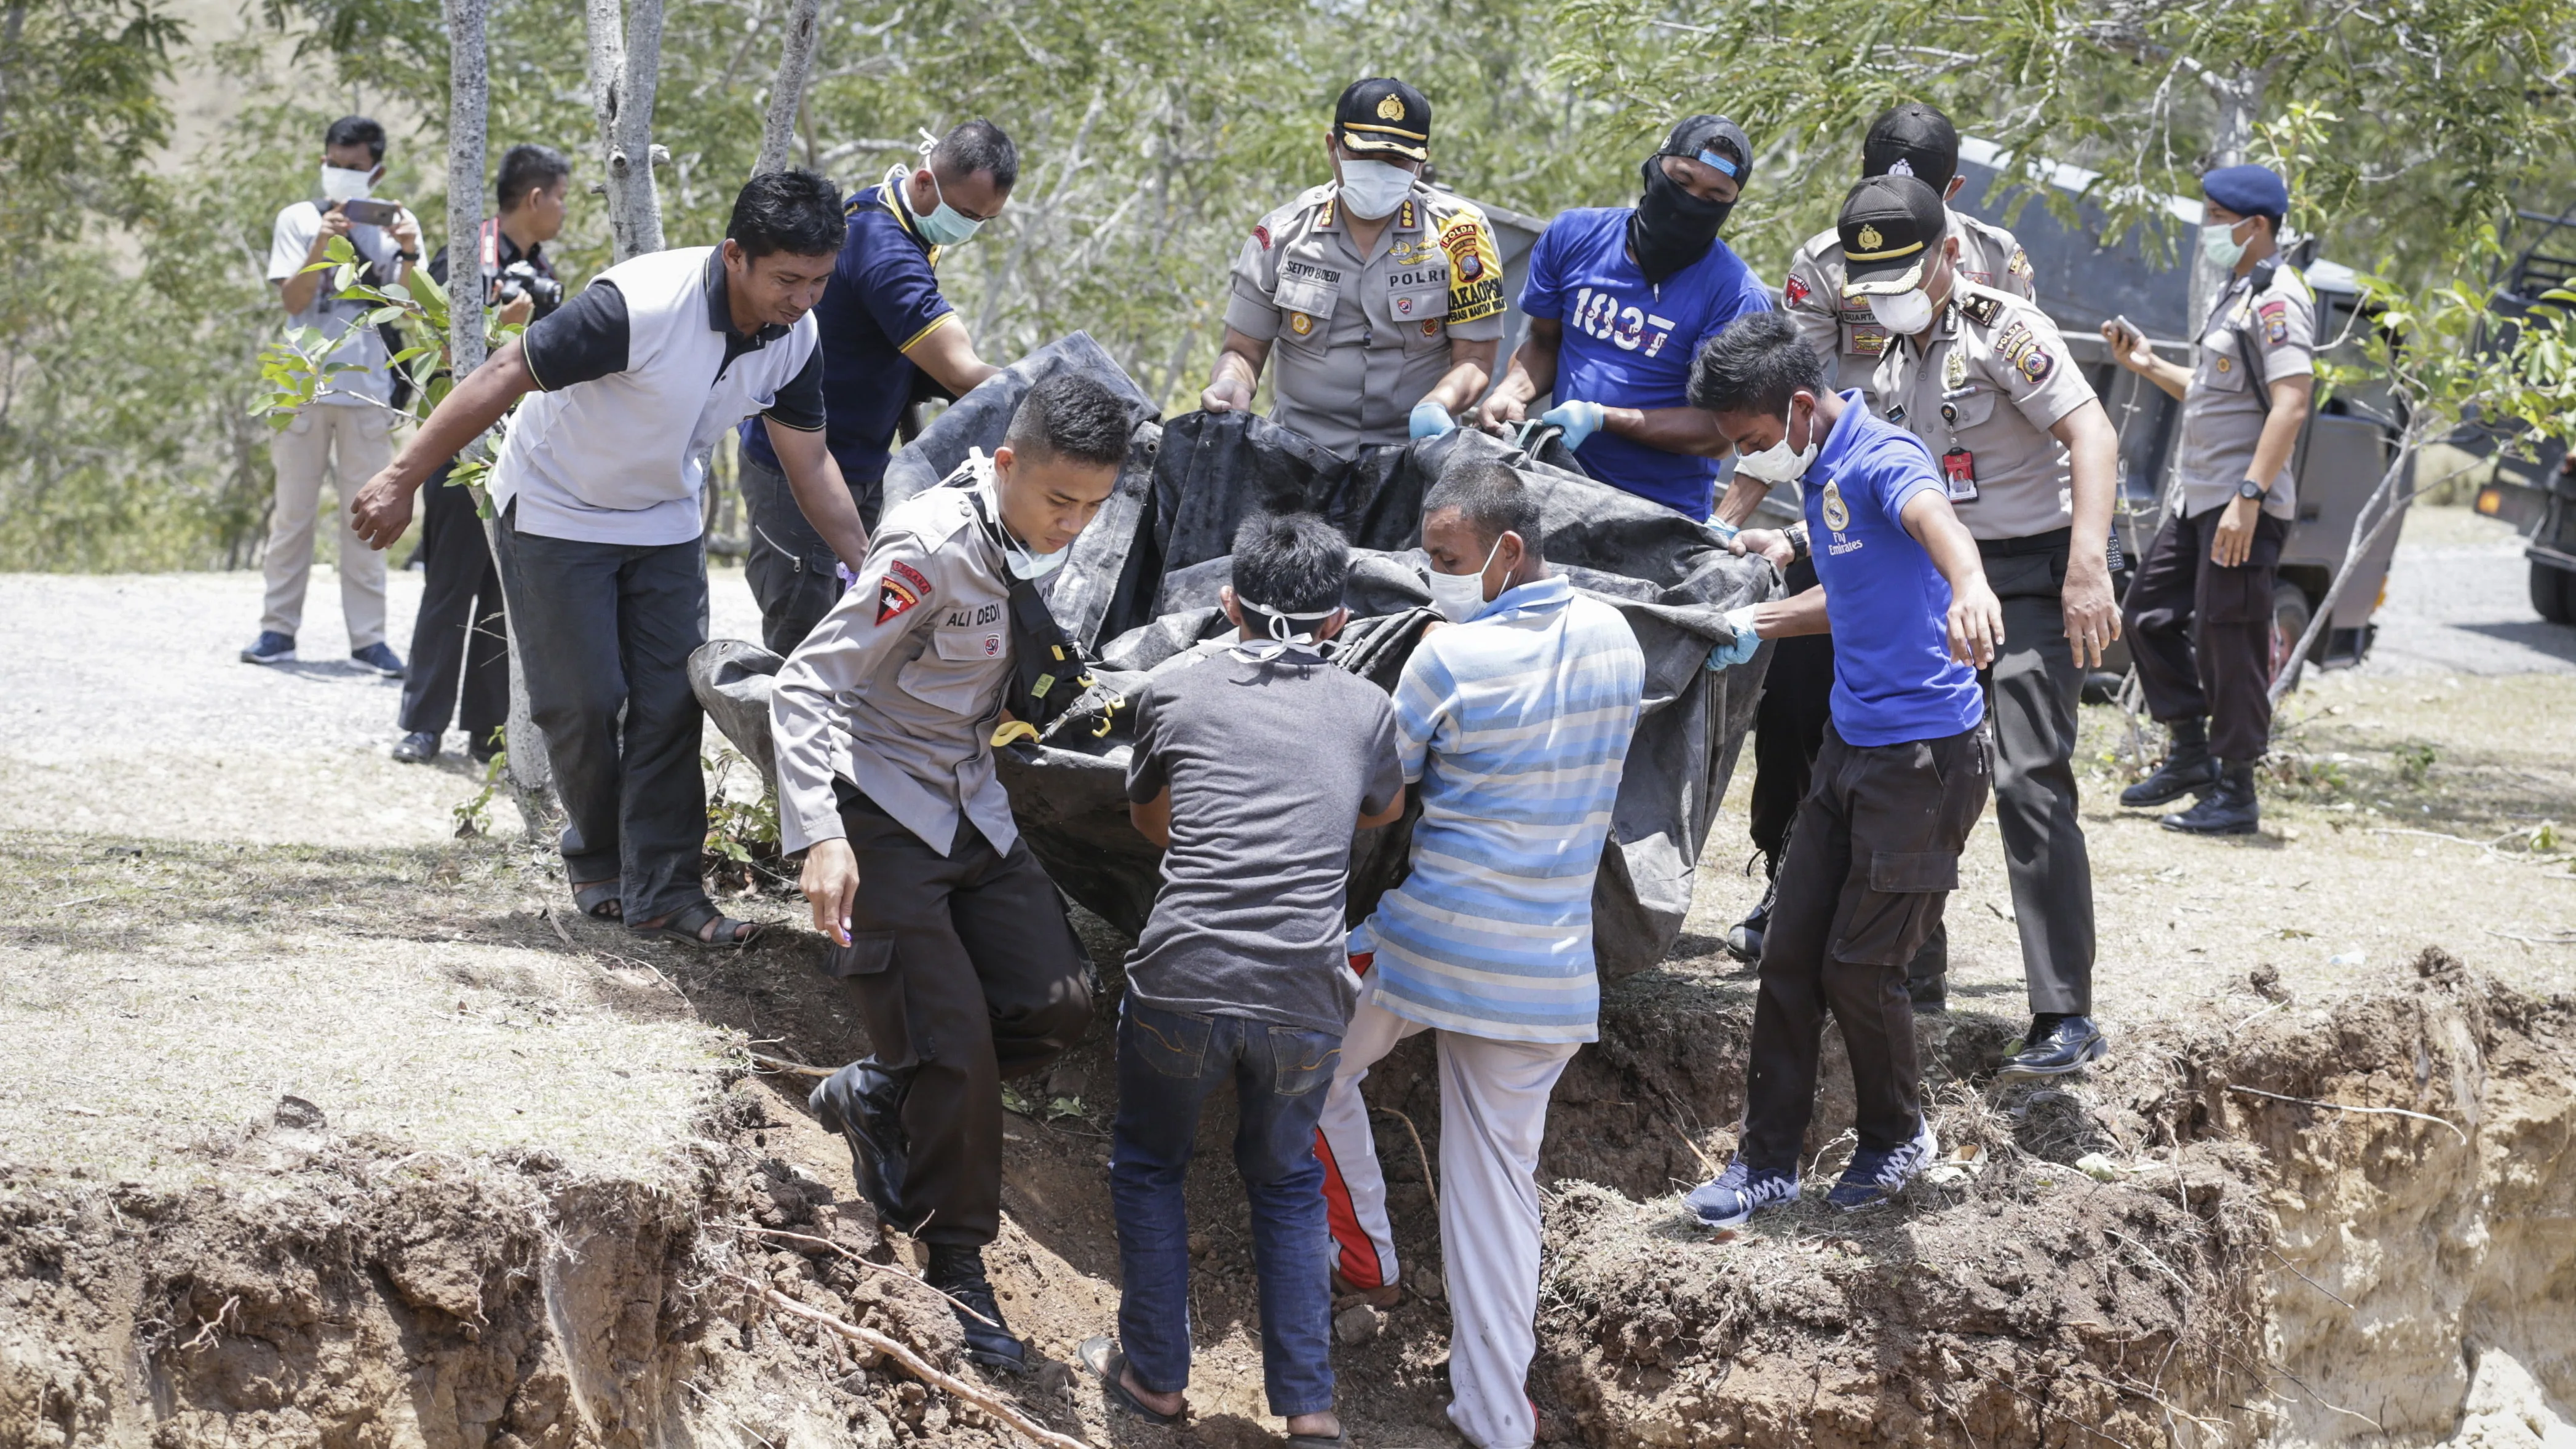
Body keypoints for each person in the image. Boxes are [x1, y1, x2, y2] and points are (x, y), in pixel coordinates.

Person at [349, 170, 870, 943]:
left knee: (668, 705)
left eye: (820, 281)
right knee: (583, 701)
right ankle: (596, 860)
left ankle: (666, 892)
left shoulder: (799, 337)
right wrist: (400, 478)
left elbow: (811, 466)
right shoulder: (638, 305)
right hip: (557, 509)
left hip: (662, 520)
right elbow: (501, 373)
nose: (803, 299)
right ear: (735, 256)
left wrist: (876, 565)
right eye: (788, 280)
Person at [777, 374, 1130, 1371]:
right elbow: (808, 680)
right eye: (1060, 502)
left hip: (970, 803)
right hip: (881, 809)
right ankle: (956, 1267)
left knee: (1057, 1003)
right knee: (958, 1047)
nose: (1074, 525)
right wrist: (818, 833)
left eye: (1094, 507)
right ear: (1007, 465)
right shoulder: (927, 548)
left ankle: (881, 1094)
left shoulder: (1035, 541)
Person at [1740, 174, 2118, 1076]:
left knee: (2028, 772)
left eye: (1904, 272)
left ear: (1949, 252)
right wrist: (1795, 537)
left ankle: (2063, 1011)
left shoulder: (2004, 328)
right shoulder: (1880, 349)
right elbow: (1894, 481)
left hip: (2027, 576)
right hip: (1930, 583)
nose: (1886, 296)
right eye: (1870, 283)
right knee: (1908, 766)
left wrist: (2088, 567)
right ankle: (1917, 972)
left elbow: (2092, 434)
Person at [1312, 463, 1644, 1449]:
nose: (1435, 581)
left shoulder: (1444, 659)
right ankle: (1498, 1419)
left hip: (1425, 946)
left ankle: (1367, 1260)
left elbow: (1380, 793)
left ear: (1508, 551)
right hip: (1545, 972)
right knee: (1497, 1193)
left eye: (1448, 561)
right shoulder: (1619, 640)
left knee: (1306, 1067)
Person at [1080, 513, 1406, 1440]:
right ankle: (1309, 1411)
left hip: (1184, 974)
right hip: (1304, 993)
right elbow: (1380, 808)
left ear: (1227, 605)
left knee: (1150, 1166)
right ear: (1339, 621)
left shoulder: (1174, 693)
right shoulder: (1364, 706)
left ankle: (1155, 1381)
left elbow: (1153, 823)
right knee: (1287, 1181)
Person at [1678, 308, 1999, 1227]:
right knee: (1788, 954)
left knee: (1861, 969)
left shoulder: (1880, 458)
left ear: (1804, 406)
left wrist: (1971, 586)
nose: (1746, 462)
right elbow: (1854, 592)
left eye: (1750, 441)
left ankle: (1896, 1136)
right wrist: (1759, 622)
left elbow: (1934, 519)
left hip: (1924, 761)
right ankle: (1766, 1163)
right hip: (1849, 747)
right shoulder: (1819, 470)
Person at [1722, 102, 2038, 966]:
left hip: (1954, 521)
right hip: (1843, 502)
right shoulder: (1825, 264)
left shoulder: (1997, 261)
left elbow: (2018, 399)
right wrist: (1727, 530)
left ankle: (1907, 928)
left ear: (1953, 195)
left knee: (1941, 735)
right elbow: (1781, 406)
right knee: (1794, 708)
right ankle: (1786, 877)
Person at [736, 121, 1019, 656]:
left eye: (985, 221)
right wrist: (1041, 396)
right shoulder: (883, 249)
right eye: (965, 216)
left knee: (857, 625)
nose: (971, 229)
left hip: (861, 464)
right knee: (803, 636)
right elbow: (961, 369)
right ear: (924, 182)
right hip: (794, 469)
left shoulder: (892, 217)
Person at [2104, 163, 2315, 836]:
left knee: (2232, 641)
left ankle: (2236, 791)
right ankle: (2191, 755)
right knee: (2146, 613)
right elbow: (2214, 388)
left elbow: (2292, 403)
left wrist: (2248, 496)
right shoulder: (2239, 293)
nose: (2208, 230)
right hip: (2201, 501)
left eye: (2218, 219)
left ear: (2255, 226)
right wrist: (2145, 365)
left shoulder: (2280, 297)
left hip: (2240, 506)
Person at [1476, 114, 1773, 518]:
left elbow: (1718, 432)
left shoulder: (1736, 296)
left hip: (1655, 516)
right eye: (1681, 181)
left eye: (1713, 198)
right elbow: (1545, 342)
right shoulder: (1573, 235)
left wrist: (1602, 419)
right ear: (1655, 168)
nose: (1690, 202)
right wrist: (1512, 393)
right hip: (1551, 483)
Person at [1204, 78, 1507, 458]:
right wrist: (1232, 383)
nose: (1380, 170)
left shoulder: (1461, 235)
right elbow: (1243, 352)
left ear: (1420, 162)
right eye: (1364, 156)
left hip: (1412, 458)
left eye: (1397, 159)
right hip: (1296, 457)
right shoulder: (1281, 236)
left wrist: (1439, 404)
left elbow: (1476, 359)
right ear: (1333, 148)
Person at [394, 143, 573, 765]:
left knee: (506, 592)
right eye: (561, 198)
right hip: (460, 441)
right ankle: (422, 725)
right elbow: (432, 343)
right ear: (534, 198)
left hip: (523, 449)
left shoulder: (541, 265)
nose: (564, 211)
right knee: (450, 585)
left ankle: (488, 729)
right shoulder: (471, 257)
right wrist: (501, 325)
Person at [242, 115, 424, 675]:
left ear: (377, 170)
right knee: (292, 515)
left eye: (353, 168)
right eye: (333, 166)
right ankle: (277, 631)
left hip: (367, 390)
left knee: (368, 517)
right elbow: (293, 302)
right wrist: (323, 242)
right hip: (302, 384)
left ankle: (368, 639)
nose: (341, 176)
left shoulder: (393, 224)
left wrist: (411, 252)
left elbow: (414, 308)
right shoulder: (297, 219)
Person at [1780, 103, 2035, 404]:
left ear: (1954, 189)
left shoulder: (1994, 256)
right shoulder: (1824, 262)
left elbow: (2028, 371)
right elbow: (1799, 385)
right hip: (1870, 438)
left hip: (1970, 437)